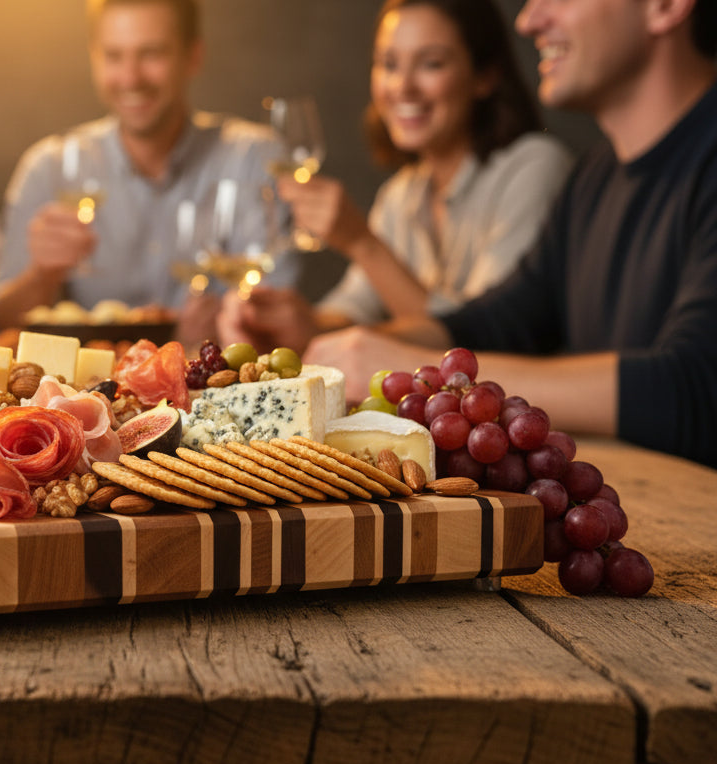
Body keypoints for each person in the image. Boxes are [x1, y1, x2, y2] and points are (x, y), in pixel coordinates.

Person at [222, 0, 717, 470]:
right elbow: (499, 320)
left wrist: (412, 365)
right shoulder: (595, 177)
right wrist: (341, 343)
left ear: (666, 5)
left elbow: (694, 388)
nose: (528, 21)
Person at [0, 0, 301, 346]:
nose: (130, 78)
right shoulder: (48, 166)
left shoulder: (253, 158)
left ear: (193, 56)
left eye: (151, 54)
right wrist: (42, 276)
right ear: (94, 58)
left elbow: (280, 317)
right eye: (113, 56)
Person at [279, 0, 572, 332]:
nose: (402, 87)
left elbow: (484, 340)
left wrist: (362, 243)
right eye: (389, 65)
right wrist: (295, 325)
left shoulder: (534, 167)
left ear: (485, 76)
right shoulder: (400, 194)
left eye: (431, 64)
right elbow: (355, 306)